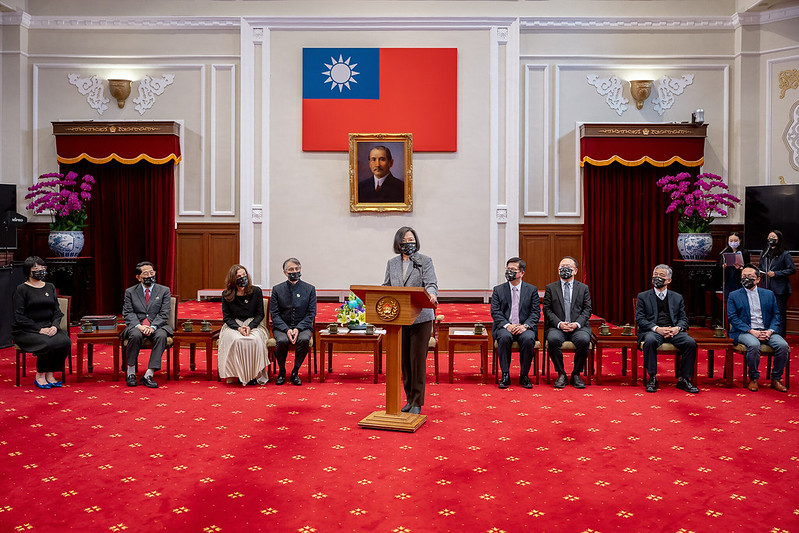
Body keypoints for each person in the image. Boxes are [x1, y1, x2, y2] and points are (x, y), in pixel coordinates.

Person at [382, 227, 438, 414]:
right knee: (404, 361)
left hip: (421, 317)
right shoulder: (392, 263)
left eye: (412, 239)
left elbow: (431, 283)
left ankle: (417, 402)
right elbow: (387, 286)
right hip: (399, 318)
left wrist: (432, 294)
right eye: (405, 240)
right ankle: (408, 399)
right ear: (399, 243)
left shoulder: (424, 261)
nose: (409, 242)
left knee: (417, 360)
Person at [635, 264, 699, 394]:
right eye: (655, 275)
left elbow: (683, 319)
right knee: (650, 341)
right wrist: (657, 328)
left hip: (673, 330)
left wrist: (677, 328)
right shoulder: (643, 296)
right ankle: (652, 378)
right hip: (653, 331)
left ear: (669, 280)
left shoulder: (677, 297)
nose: (657, 277)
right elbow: (640, 319)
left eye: (661, 276)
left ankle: (684, 379)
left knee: (690, 343)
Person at [727, 264, 789, 392]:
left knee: (783, 346)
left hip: (766, 330)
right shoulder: (734, 295)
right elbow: (733, 318)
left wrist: (770, 331)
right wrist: (751, 331)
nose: (746, 279)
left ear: (758, 279)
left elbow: (777, 315)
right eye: (743, 276)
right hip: (744, 331)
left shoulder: (768, 294)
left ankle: (776, 378)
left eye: (750, 277)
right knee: (754, 345)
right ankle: (753, 378)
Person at [12, 256, 71, 389]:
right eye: (36, 268)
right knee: (47, 342)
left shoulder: (50, 287)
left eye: (42, 268)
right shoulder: (22, 289)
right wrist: (39, 329)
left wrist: (55, 326)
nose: (40, 271)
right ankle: (40, 375)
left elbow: (57, 311)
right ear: (28, 271)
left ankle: (50, 373)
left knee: (65, 341)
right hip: (27, 329)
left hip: (49, 326)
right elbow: (19, 316)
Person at [542, 256, 592, 389]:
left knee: (583, 340)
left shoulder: (583, 288)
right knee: (552, 340)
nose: (564, 269)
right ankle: (561, 373)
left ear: (575, 271)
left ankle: (576, 374)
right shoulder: (551, 288)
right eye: (561, 266)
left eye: (568, 267)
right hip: (557, 327)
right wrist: (559, 323)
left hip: (578, 327)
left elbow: (587, 309)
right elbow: (547, 309)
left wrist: (576, 324)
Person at [121, 261, 172, 388]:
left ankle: (149, 374)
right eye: (146, 273)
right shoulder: (130, 292)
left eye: (152, 272)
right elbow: (128, 312)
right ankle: (131, 372)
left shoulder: (164, 290)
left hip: (157, 326)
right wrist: (139, 326)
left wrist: (152, 326)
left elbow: (164, 313)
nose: (150, 276)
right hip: (137, 326)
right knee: (135, 335)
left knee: (161, 336)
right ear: (139, 277)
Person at [491, 257, 540, 390]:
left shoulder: (531, 290)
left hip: (525, 326)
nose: (509, 272)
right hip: (505, 326)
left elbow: (536, 313)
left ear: (522, 273)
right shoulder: (498, 290)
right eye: (508, 269)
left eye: (513, 270)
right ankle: (505, 374)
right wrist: (508, 325)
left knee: (528, 339)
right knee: (504, 337)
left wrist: (524, 326)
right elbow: (495, 312)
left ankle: (524, 375)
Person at [218, 264, 269, 386]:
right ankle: (237, 374)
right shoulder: (226, 294)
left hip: (253, 324)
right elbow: (227, 317)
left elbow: (260, 314)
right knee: (236, 340)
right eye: (239, 276)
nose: (242, 278)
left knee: (254, 340)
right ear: (233, 279)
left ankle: (253, 375)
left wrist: (250, 326)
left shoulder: (256, 291)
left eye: (244, 275)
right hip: (234, 325)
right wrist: (239, 328)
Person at [271, 258, 317, 386]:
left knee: (303, 340)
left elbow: (311, 313)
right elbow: (274, 314)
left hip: (303, 326)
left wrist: (297, 329)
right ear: (285, 272)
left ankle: (295, 371)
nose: (294, 272)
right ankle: (282, 371)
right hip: (282, 327)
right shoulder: (277, 289)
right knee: (282, 341)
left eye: (297, 269)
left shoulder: (310, 289)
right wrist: (287, 329)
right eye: (291, 269)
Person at [759, 230, 795, 338]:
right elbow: (761, 267)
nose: (771, 239)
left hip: (780, 288)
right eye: (769, 237)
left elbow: (792, 269)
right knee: (767, 311)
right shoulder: (764, 253)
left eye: (773, 237)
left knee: (779, 312)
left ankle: (780, 335)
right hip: (766, 286)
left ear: (778, 239)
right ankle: (768, 332)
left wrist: (776, 274)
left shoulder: (785, 254)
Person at [720, 231, 750, 301]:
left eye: (735, 240)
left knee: (740, 299)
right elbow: (720, 267)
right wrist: (723, 267)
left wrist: (741, 268)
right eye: (731, 240)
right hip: (728, 280)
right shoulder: (725, 252)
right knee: (728, 299)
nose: (733, 242)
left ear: (740, 240)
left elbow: (748, 266)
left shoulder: (744, 252)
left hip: (739, 280)